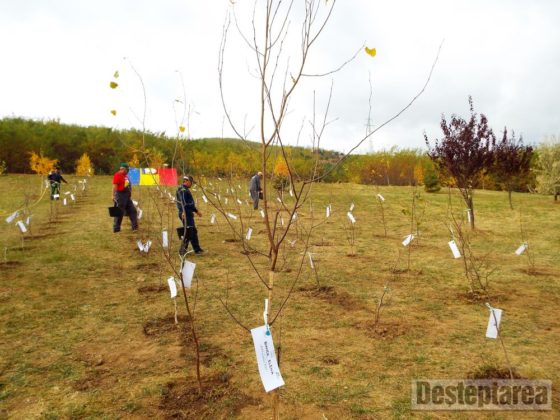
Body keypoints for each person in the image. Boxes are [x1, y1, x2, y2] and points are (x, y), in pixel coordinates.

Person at [176, 175, 204, 255]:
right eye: (191, 182)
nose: (192, 184)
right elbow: (183, 203)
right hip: (186, 213)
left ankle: (196, 249)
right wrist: (183, 212)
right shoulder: (183, 190)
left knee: (191, 231)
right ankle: (185, 250)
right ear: (187, 181)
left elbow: (186, 203)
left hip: (187, 213)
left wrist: (196, 211)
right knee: (189, 232)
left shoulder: (182, 189)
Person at [112, 162, 138, 233]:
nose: (128, 171)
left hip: (127, 197)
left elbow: (128, 185)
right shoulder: (117, 175)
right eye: (127, 170)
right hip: (120, 196)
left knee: (133, 211)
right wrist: (113, 195)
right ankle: (116, 228)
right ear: (124, 169)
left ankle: (135, 227)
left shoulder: (125, 175)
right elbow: (114, 186)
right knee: (119, 212)